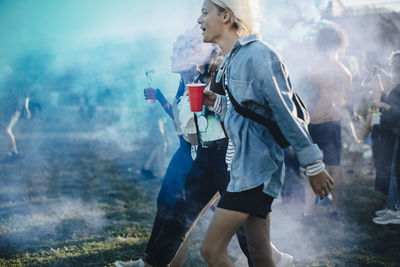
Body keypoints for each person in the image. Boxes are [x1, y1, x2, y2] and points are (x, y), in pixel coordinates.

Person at [197, 0, 334, 266]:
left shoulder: (259, 54)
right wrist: (217, 102)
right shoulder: (231, 59)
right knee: (260, 253)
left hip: (255, 171)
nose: (199, 20)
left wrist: (314, 165)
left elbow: (285, 113)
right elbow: (249, 113)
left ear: (226, 16)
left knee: (211, 251)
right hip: (242, 169)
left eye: (204, 13)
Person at [116, 26, 215, 267]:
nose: (171, 56)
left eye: (176, 51)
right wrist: (160, 98)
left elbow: (203, 127)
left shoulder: (205, 79)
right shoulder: (184, 82)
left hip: (205, 158)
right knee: (167, 207)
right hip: (185, 153)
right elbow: (179, 125)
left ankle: (271, 257)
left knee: (186, 217)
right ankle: (150, 260)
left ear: (193, 54)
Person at [302, 25, 360, 221]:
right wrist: (352, 124)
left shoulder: (313, 68)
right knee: (335, 167)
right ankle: (334, 210)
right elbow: (345, 103)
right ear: (339, 44)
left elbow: (306, 98)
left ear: (320, 43)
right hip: (333, 122)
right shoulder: (345, 71)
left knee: (312, 166)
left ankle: (308, 211)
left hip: (314, 122)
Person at [372, 51, 400, 225]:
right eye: (393, 63)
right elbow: (379, 105)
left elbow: (396, 110)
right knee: (391, 170)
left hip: (397, 133)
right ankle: (391, 205)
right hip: (389, 133)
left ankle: (395, 210)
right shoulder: (394, 83)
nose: (394, 66)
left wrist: (383, 104)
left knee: (396, 171)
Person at [0, 66, 31, 163]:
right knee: (3, 131)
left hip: (14, 110)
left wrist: (26, 108)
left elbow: (26, 95)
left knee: (6, 130)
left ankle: (14, 152)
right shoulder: (4, 82)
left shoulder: (18, 82)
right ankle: (9, 153)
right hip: (5, 109)